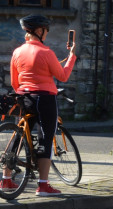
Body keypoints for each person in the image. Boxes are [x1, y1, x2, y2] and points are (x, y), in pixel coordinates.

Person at [5, 14, 77, 196]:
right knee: (46, 137)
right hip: (45, 99)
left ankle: (6, 179)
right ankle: (43, 185)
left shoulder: (17, 52)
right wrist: (71, 57)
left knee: (19, 136)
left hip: (24, 97)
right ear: (39, 31)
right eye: (46, 30)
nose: (46, 34)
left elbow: (15, 82)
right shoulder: (46, 53)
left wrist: (24, 92)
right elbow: (63, 76)